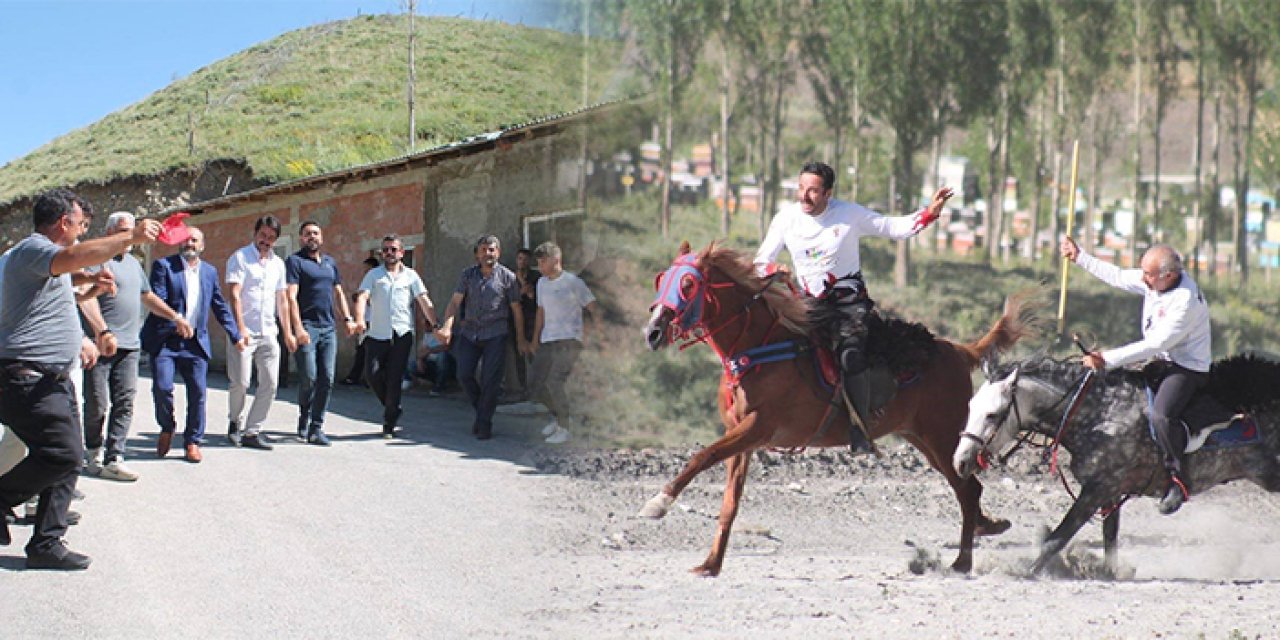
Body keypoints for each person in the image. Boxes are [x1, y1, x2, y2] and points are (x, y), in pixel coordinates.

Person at [0, 188, 160, 570]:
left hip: (52, 377)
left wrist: (90, 290)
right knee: (64, 454)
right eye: (80, 223)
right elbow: (72, 257)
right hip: (27, 375)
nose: (82, 229)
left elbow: (59, 297)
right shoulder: (33, 249)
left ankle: (46, 544)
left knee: (68, 460)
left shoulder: (47, 264)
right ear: (61, 222)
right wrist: (130, 237)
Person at [753, 161, 951, 453]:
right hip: (807, 304)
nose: (804, 197)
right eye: (801, 189)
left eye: (813, 191)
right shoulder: (785, 219)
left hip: (849, 304)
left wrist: (929, 214)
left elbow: (892, 227)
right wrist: (773, 268)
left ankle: (859, 429)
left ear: (828, 193)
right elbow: (759, 263)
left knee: (850, 356)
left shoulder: (849, 215)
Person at [1060, 238, 1210, 515]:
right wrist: (1079, 256)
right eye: (1143, 273)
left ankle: (1178, 479)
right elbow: (1117, 276)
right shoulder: (1155, 280)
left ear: (1169, 275)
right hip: (1160, 361)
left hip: (1186, 368)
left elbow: (1156, 344)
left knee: (1161, 415)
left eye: (1148, 275)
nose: (1143, 279)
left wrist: (1106, 358)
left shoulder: (1185, 301)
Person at [79, 212, 189, 482]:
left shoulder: (133, 264)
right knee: (97, 403)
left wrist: (175, 317)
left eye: (134, 230)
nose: (132, 236)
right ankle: (93, 451)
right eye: (126, 231)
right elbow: (83, 297)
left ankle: (115, 456)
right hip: (100, 345)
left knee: (125, 402)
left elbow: (147, 296)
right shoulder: (95, 258)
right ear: (110, 232)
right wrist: (101, 331)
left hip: (130, 345)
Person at [141, 227, 245, 463]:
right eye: (186, 239)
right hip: (166, 339)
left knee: (198, 393)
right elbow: (158, 299)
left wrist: (235, 334)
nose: (190, 243)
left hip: (196, 342)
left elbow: (219, 305)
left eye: (195, 240)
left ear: (202, 245)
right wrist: (175, 320)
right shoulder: (164, 266)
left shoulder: (209, 272)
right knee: (163, 387)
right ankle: (167, 426)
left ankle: (192, 442)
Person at [438, 235, 527, 440]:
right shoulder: (467, 275)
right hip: (470, 333)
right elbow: (454, 302)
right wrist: (447, 327)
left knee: (490, 380)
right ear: (477, 253)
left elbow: (516, 310)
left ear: (499, 252)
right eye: (484, 250)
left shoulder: (508, 277)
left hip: (496, 333)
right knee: (464, 374)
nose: (488, 253)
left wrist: (521, 339)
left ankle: (484, 422)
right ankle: (482, 410)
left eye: (492, 250)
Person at [353, 235, 441, 438]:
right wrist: (359, 320)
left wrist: (435, 325)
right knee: (372, 374)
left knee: (394, 378)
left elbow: (423, 300)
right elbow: (362, 297)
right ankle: (392, 406)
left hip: (402, 334)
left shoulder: (411, 276)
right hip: (377, 334)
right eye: (385, 250)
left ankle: (389, 422)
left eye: (393, 249)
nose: (389, 253)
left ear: (401, 253)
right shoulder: (374, 275)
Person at [225, 215, 295, 451]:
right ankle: (235, 422)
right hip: (244, 332)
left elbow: (282, 300)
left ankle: (253, 430)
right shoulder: (240, 258)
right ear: (255, 234)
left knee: (271, 383)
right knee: (241, 382)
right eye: (263, 235)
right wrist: (240, 327)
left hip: (268, 332)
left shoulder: (278, 264)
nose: (266, 241)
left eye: (271, 238)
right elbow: (235, 294)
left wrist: (287, 333)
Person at [286, 221, 358, 446]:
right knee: (309, 376)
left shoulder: (330, 263)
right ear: (301, 238)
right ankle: (304, 417)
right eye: (307, 234)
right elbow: (290, 297)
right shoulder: (295, 261)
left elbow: (338, 293)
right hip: (307, 326)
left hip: (328, 328)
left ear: (322, 237)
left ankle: (316, 427)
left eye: (315, 233)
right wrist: (297, 328)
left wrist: (347, 319)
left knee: (327, 377)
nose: (312, 237)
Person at [526, 242, 598, 444]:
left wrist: (596, 337)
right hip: (548, 339)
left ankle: (566, 427)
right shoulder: (541, 284)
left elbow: (593, 308)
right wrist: (534, 339)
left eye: (542, 262)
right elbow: (541, 312)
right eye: (538, 262)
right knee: (535, 382)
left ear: (556, 260)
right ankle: (557, 419)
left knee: (555, 381)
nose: (539, 266)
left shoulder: (573, 282)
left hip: (569, 339)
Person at [341, 257, 380, 386]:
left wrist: (362, 298)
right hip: (364, 320)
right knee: (361, 350)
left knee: (370, 351)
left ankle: (368, 378)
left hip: (374, 321)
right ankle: (357, 377)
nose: (365, 272)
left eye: (367, 269)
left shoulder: (379, 282)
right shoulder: (366, 282)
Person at [511, 247, 540, 399]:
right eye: (520, 258)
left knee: (534, 353)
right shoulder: (510, 277)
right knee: (519, 355)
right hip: (516, 321)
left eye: (525, 259)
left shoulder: (535, 276)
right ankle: (523, 388)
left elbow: (533, 296)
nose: (522, 262)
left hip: (532, 319)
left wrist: (523, 284)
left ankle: (537, 389)